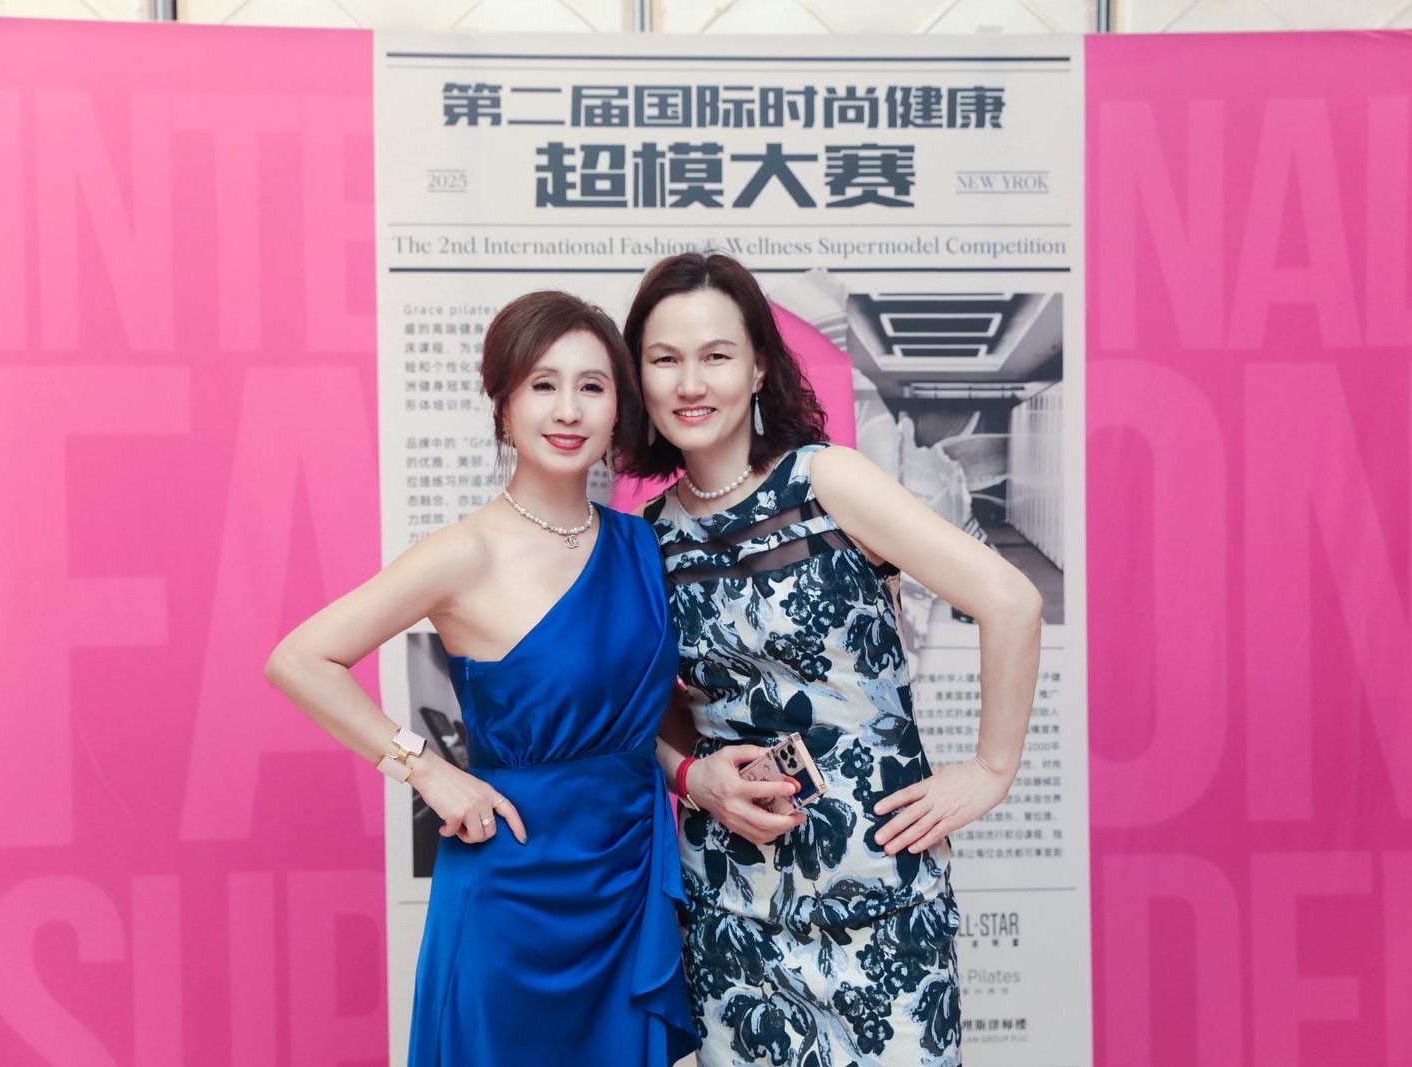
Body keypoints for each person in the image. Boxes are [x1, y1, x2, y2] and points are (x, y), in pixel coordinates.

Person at [619, 253, 1042, 1066]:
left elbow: (1010, 601)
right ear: (640, 377)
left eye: (715, 355)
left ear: (758, 366)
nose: (690, 383)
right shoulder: (648, 537)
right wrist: (692, 776)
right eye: (664, 359)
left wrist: (991, 770)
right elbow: (651, 706)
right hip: (733, 913)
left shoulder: (826, 480)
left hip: (880, 898)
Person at [265, 290, 696, 1067]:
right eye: (542, 384)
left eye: (592, 386)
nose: (568, 410)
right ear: (502, 403)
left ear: (619, 409)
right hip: (511, 888)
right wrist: (425, 769)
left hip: (627, 875)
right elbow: (299, 659)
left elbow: (654, 714)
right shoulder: (465, 552)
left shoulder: (643, 545)